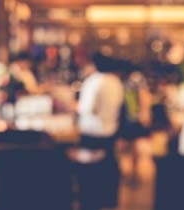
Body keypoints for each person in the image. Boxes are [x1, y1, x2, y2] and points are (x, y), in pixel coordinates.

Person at [73, 52, 124, 210]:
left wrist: (71, 105)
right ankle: (108, 203)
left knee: (90, 176)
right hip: (110, 132)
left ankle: (89, 203)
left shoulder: (94, 81)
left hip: (92, 133)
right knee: (107, 173)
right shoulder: (116, 81)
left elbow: (86, 108)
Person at [118, 60, 152, 187]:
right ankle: (130, 173)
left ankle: (133, 173)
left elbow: (143, 95)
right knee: (128, 146)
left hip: (132, 117)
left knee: (132, 146)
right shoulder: (128, 78)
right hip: (129, 117)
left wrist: (144, 114)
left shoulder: (135, 78)